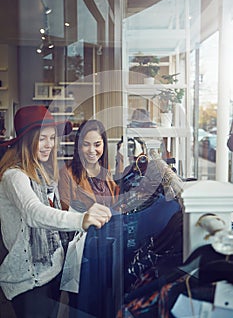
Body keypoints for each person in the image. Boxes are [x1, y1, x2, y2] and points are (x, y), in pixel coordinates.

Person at [58, 119, 184, 317]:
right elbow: (66, 213)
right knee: (82, 306)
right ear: (78, 145)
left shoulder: (105, 173)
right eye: (86, 144)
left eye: (97, 144)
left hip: (108, 252)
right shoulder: (67, 173)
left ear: (103, 145)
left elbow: (118, 204)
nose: (92, 150)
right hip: (84, 256)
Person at [0, 105, 111, 318]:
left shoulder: (42, 172)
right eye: (42, 138)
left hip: (52, 273)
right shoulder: (14, 176)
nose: (49, 145)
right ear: (27, 139)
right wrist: (82, 219)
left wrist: (88, 210)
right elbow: (35, 213)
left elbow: (55, 212)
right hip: (29, 281)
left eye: (52, 138)